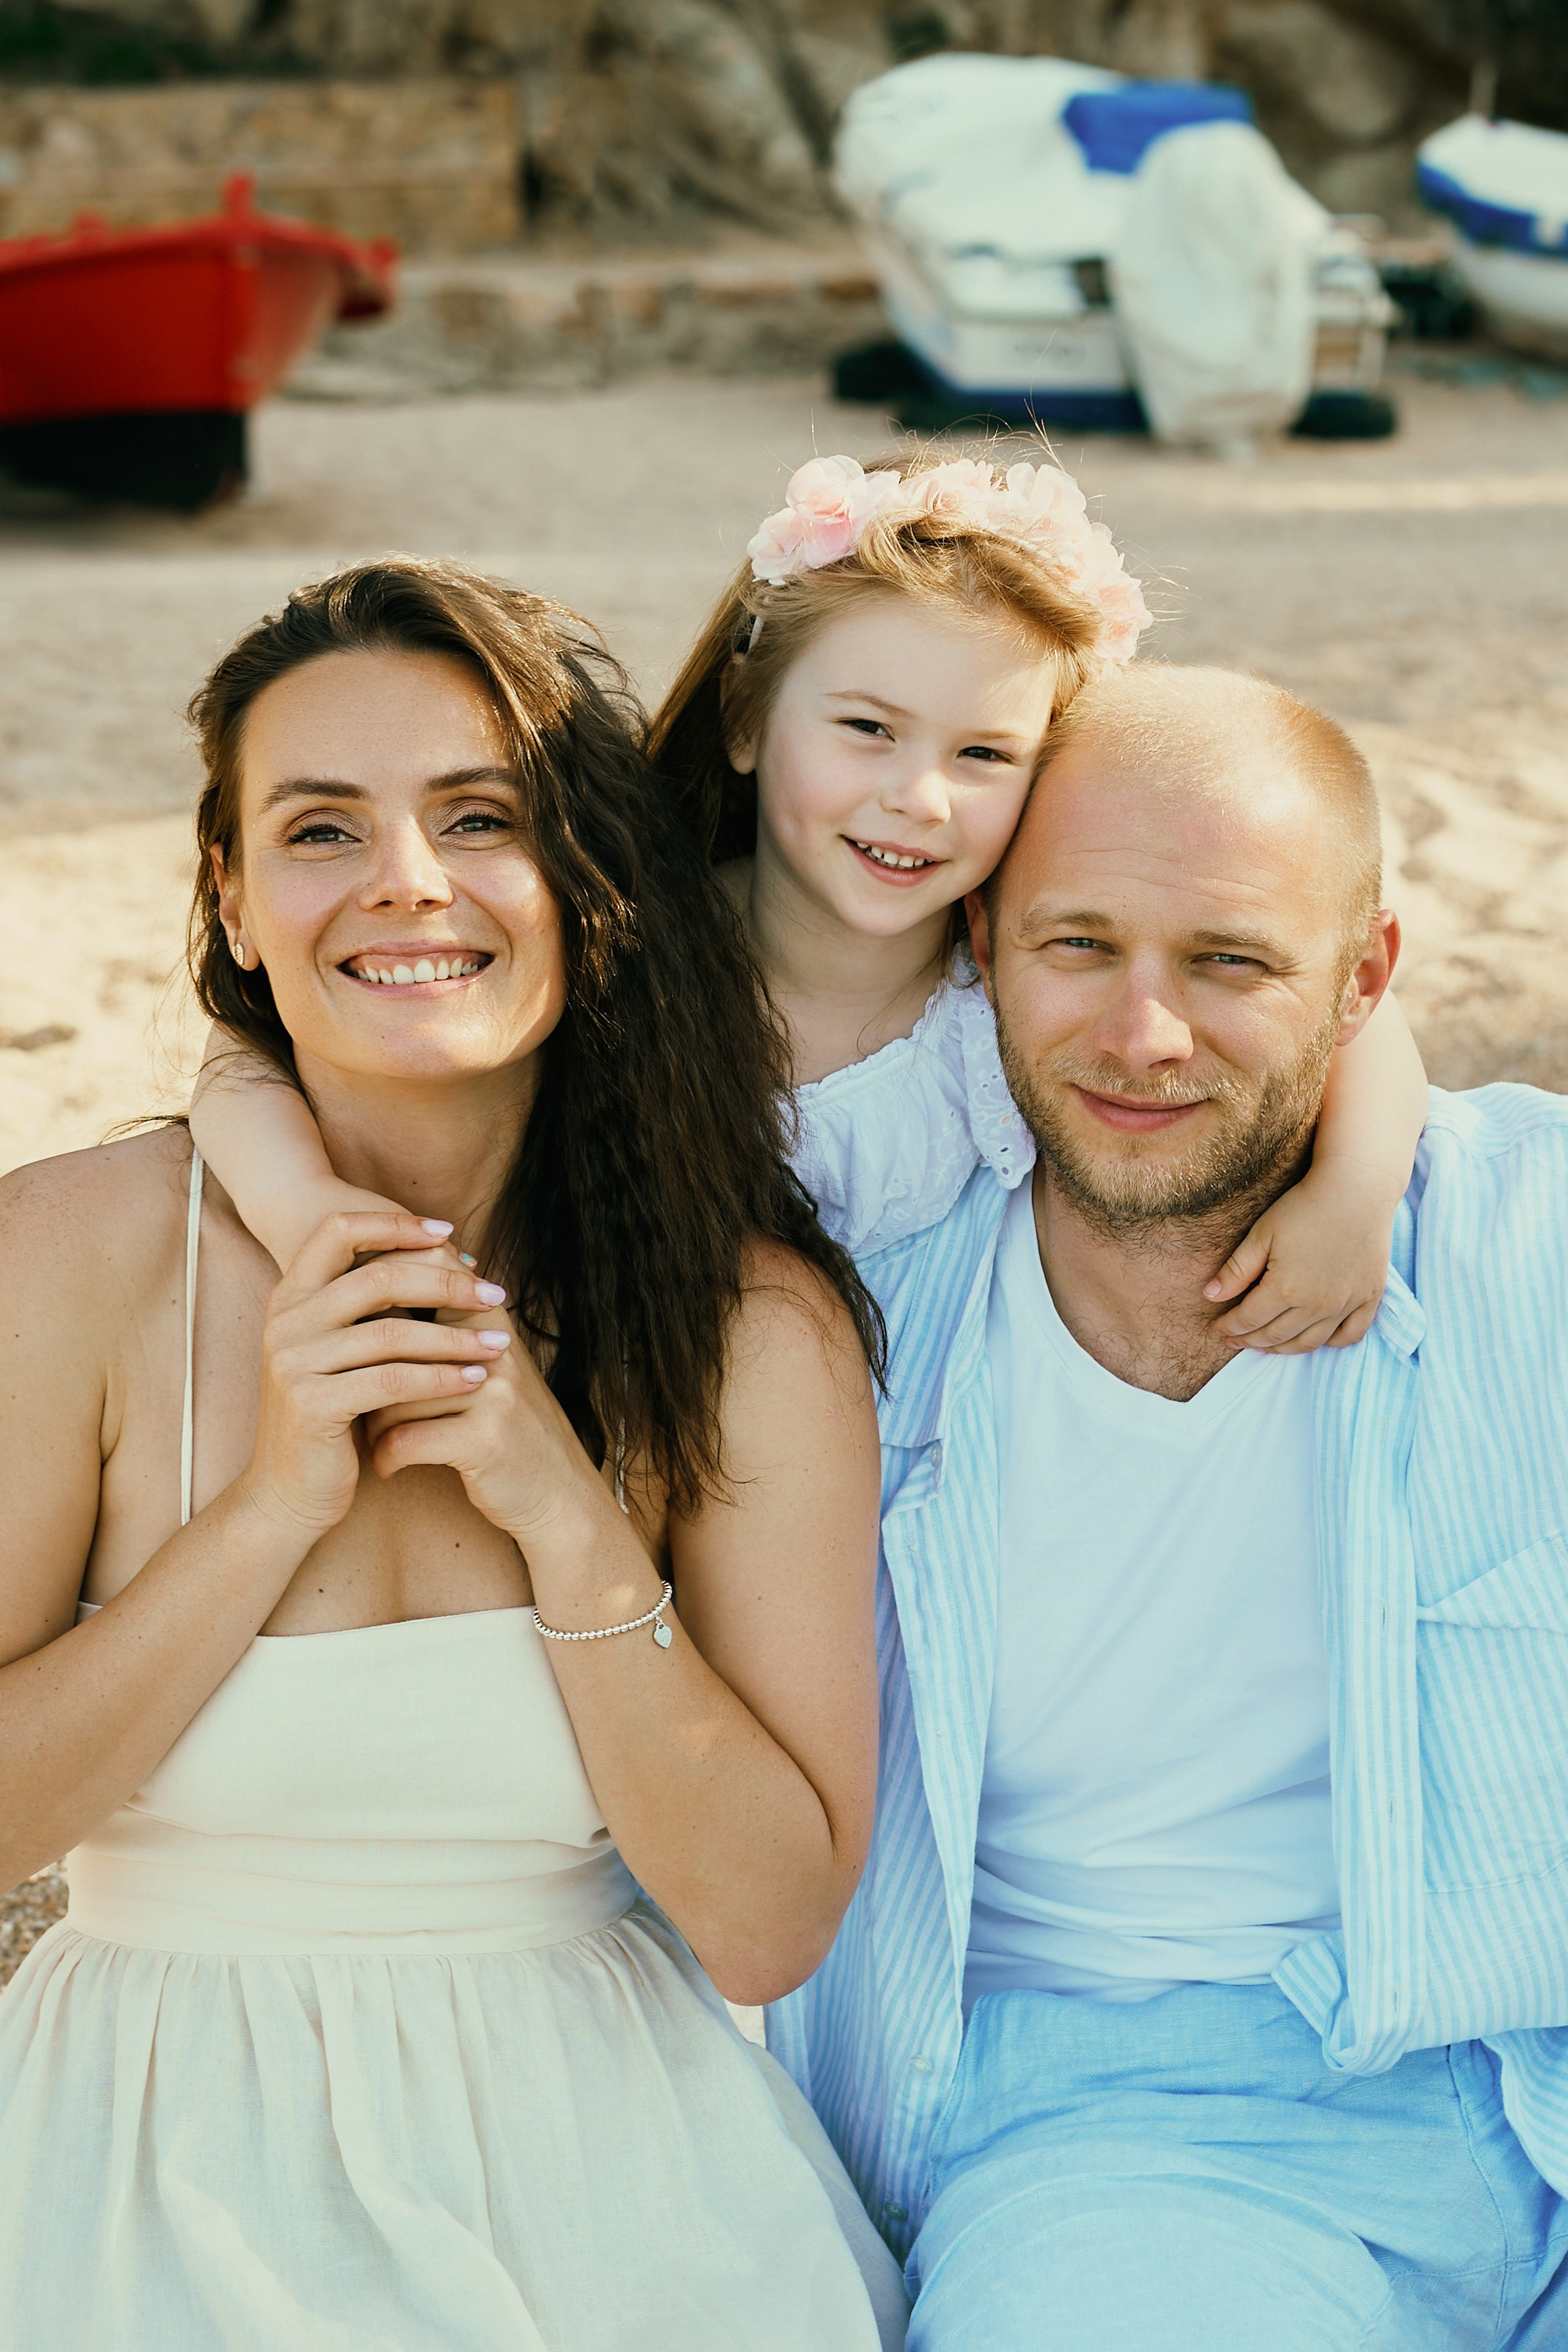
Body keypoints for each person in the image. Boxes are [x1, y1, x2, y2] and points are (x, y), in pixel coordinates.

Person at [0, 559, 909, 2350]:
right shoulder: (76, 1253)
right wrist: (271, 1503)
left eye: (477, 815)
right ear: (237, 903)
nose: (406, 878)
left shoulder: (748, 1324)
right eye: (321, 828)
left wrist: (568, 1521)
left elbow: (764, 1926)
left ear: (587, 884)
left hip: (605, 2180)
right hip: (141, 2157)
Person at [770, 662, 1568, 2350]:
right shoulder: (844, 1331)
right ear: (979, 944)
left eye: (1229, 962)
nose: (1144, 1035)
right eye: (1079, 947)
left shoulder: (1527, 1229)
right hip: (1133, 2140)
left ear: (1364, 981)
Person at [194, 448, 1429, 1360]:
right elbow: (249, 1056)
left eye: (983, 757)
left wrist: (1351, 1194)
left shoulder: (1019, 973)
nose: (919, 801)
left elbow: (1354, 1019)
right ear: (742, 716)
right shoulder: (627, 942)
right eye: (865, 731)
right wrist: (304, 1210)